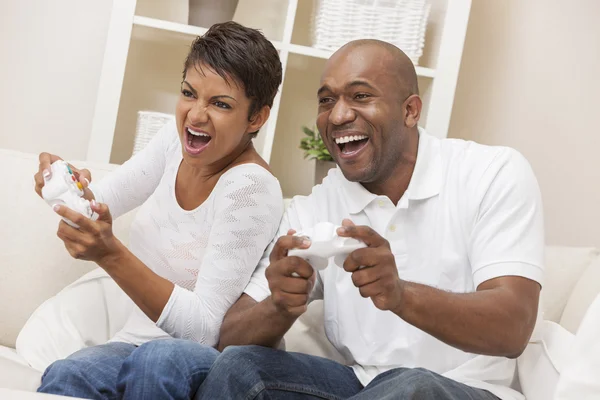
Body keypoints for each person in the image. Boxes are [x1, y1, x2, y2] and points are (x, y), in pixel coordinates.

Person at [194, 39, 544, 400]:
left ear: (410, 111)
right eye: (327, 100)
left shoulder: (491, 173)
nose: (338, 115)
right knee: (242, 368)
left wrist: (400, 295)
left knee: (412, 387)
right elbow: (230, 340)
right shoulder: (312, 208)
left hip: (468, 388)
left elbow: (513, 327)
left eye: (360, 96)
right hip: (360, 385)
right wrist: (279, 305)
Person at [33, 21, 284, 400]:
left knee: (155, 362)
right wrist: (65, 188)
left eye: (220, 104)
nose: (196, 115)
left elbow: (205, 328)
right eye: (189, 93)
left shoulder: (251, 187)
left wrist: (111, 254)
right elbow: (100, 204)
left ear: (256, 118)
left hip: (206, 360)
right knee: (67, 375)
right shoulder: (172, 140)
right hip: (136, 345)